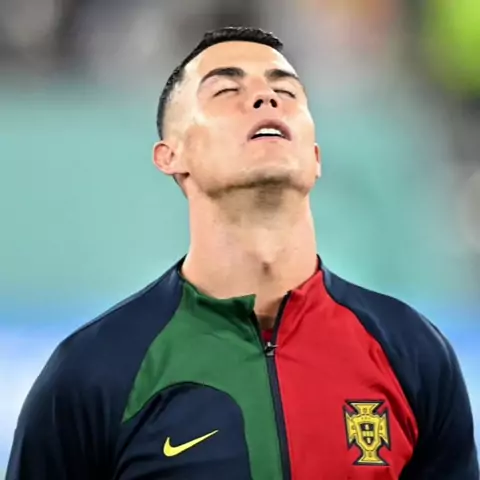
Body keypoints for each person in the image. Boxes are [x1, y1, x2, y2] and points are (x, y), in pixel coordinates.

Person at [6, 26, 478, 480]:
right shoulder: (94, 372)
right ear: (171, 155)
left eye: (286, 91)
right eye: (226, 91)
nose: (266, 98)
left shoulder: (411, 353)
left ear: (315, 156)